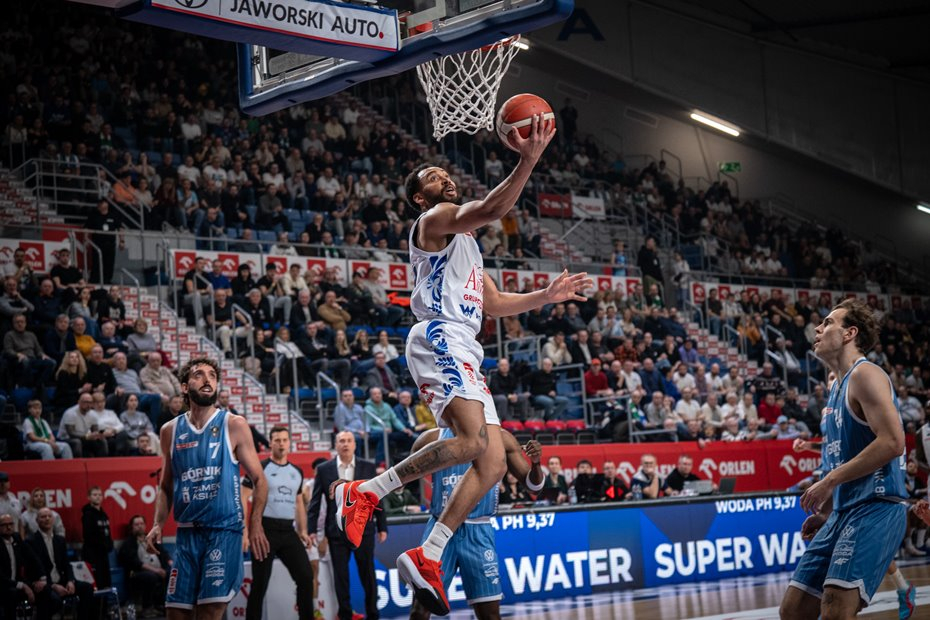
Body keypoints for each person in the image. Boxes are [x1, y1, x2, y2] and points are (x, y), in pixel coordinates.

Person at [331, 115, 588, 617]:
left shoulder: (465, 243)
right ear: (420, 198)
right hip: (440, 335)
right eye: (433, 177)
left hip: (465, 343)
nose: (444, 178)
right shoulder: (433, 221)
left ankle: (429, 553)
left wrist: (546, 295)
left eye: (445, 173)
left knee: (491, 462)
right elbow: (492, 207)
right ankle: (365, 492)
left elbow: (493, 304)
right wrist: (528, 159)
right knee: (472, 442)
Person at [780, 300, 908, 620]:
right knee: (793, 610)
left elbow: (893, 442)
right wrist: (826, 510)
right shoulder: (836, 386)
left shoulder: (865, 374)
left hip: (876, 506)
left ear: (850, 333)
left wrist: (828, 482)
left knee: (836, 610)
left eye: (827, 323)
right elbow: (840, 455)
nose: (817, 328)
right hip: (841, 511)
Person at [145, 357, 269, 619]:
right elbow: (165, 486)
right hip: (187, 534)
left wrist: (255, 524)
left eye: (212, 375)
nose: (207, 379)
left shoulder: (233, 424)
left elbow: (260, 480)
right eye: (199, 374)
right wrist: (157, 524)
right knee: (175, 612)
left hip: (223, 531)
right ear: (184, 387)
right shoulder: (169, 431)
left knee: (209, 611)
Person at [409, 430, 543, 620]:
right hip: (440, 527)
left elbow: (534, 487)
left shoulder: (501, 438)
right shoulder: (430, 438)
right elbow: (403, 481)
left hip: (478, 529)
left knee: (489, 614)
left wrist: (536, 463)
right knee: (420, 609)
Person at [307, 431, 386, 620]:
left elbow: (377, 497)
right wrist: (311, 530)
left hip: (364, 530)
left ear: (354, 445)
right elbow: (315, 502)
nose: (345, 444)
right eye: (342, 441)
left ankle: (373, 614)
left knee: (368, 575)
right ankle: (345, 614)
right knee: (341, 577)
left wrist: (382, 526)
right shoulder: (324, 469)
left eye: (349, 441)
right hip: (336, 533)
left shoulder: (368, 467)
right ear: (336, 444)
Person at [243, 426, 314, 620]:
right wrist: (245, 531)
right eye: (277, 440)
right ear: (270, 443)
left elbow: (298, 503)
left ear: (289, 443)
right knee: (260, 583)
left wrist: (303, 531)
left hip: (288, 531)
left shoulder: (296, 471)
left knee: (306, 577)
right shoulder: (260, 467)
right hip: (264, 531)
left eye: (284, 440)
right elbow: (243, 496)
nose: (281, 444)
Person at [28, 507, 96, 620]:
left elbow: (67, 564)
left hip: (62, 581)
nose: (47, 519)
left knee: (87, 588)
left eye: (49, 516)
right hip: (45, 584)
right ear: (37, 520)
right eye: (43, 517)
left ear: (53, 519)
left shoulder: (60, 540)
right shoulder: (31, 541)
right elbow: (34, 569)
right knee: (54, 599)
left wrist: (70, 581)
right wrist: (53, 586)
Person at [117, 515, 171, 616]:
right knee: (151, 576)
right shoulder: (129, 543)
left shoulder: (151, 539)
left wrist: (169, 563)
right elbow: (135, 563)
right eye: (136, 524)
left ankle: (165, 604)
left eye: (141, 523)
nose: (140, 526)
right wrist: (155, 570)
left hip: (158, 570)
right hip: (138, 573)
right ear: (132, 527)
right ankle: (147, 608)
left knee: (170, 572)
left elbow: (163, 553)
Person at [0, 512, 43, 620]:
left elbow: (32, 558)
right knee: (11, 593)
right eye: (4, 525)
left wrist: (42, 577)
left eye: (11, 524)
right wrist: (22, 585)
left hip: (18, 583)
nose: (8, 527)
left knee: (43, 590)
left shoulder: (16, 537)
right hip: (3, 586)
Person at [81, 486, 113, 588]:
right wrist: (101, 545)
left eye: (100, 495)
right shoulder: (87, 515)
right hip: (93, 554)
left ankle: (106, 598)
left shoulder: (104, 515)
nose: (98, 497)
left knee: (106, 582)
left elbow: (108, 533)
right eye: (95, 495)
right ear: (89, 497)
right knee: (97, 582)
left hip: (104, 554)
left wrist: (109, 545)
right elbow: (88, 536)